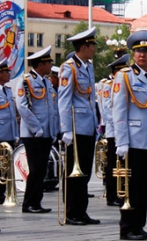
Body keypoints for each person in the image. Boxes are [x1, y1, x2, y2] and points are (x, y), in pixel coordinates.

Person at [112, 31, 147, 240]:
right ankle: (127, 228)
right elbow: (118, 111)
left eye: (146, 51)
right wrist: (122, 141)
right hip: (133, 141)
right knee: (131, 187)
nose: (141, 55)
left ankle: (139, 226)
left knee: (145, 187)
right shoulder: (124, 76)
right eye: (138, 51)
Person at [58, 27, 100, 225]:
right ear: (84, 46)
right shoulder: (69, 68)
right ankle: (71, 212)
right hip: (75, 127)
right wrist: (66, 128)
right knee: (73, 173)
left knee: (84, 172)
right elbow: (64, 100)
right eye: (92, 46)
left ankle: (81, 211)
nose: (94, 49)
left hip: (88, 126)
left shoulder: (88, 67)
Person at [17, 46, 57, 214]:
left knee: (41, 169)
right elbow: (22, 107)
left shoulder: (46, 82)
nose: (50, 66)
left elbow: (51, 108)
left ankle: (36, 201)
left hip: (46, 132)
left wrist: (53, 130)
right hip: (34, 134)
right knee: (35, 169)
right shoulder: (26, 81)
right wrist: (36, 127)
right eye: (48, 63)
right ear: (41, 64)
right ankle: (29, 203)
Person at [99, 54, 130, 207]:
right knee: (113, 163)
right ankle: (111, 195)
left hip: (124, 130)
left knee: (123, 164)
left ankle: (122, 191)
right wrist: (118, 127)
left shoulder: (125, 83)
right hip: (113, 131)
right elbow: (106, 110)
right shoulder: (107, 85)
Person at [0, 58, 18, 205]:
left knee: (5, 169)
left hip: (9, 135)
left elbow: (12, 115)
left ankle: (3, 194)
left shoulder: (7, 90)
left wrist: (15, 134)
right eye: (6, 71)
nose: (8, 74)